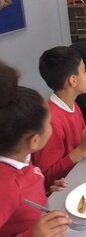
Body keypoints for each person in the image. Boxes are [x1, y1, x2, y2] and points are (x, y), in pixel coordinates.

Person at [0, 61, 70, 236]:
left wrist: (45, 190)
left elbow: (22, 199)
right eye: (49, 123)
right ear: (35, 141)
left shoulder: (19, 155)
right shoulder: (5, 188)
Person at [32, 46, 86, 190]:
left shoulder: (72, 103)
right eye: (84, 71)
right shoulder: (50, 122)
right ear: (73, 80)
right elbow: (46, 177)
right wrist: (83, 148)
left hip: (81, 172)